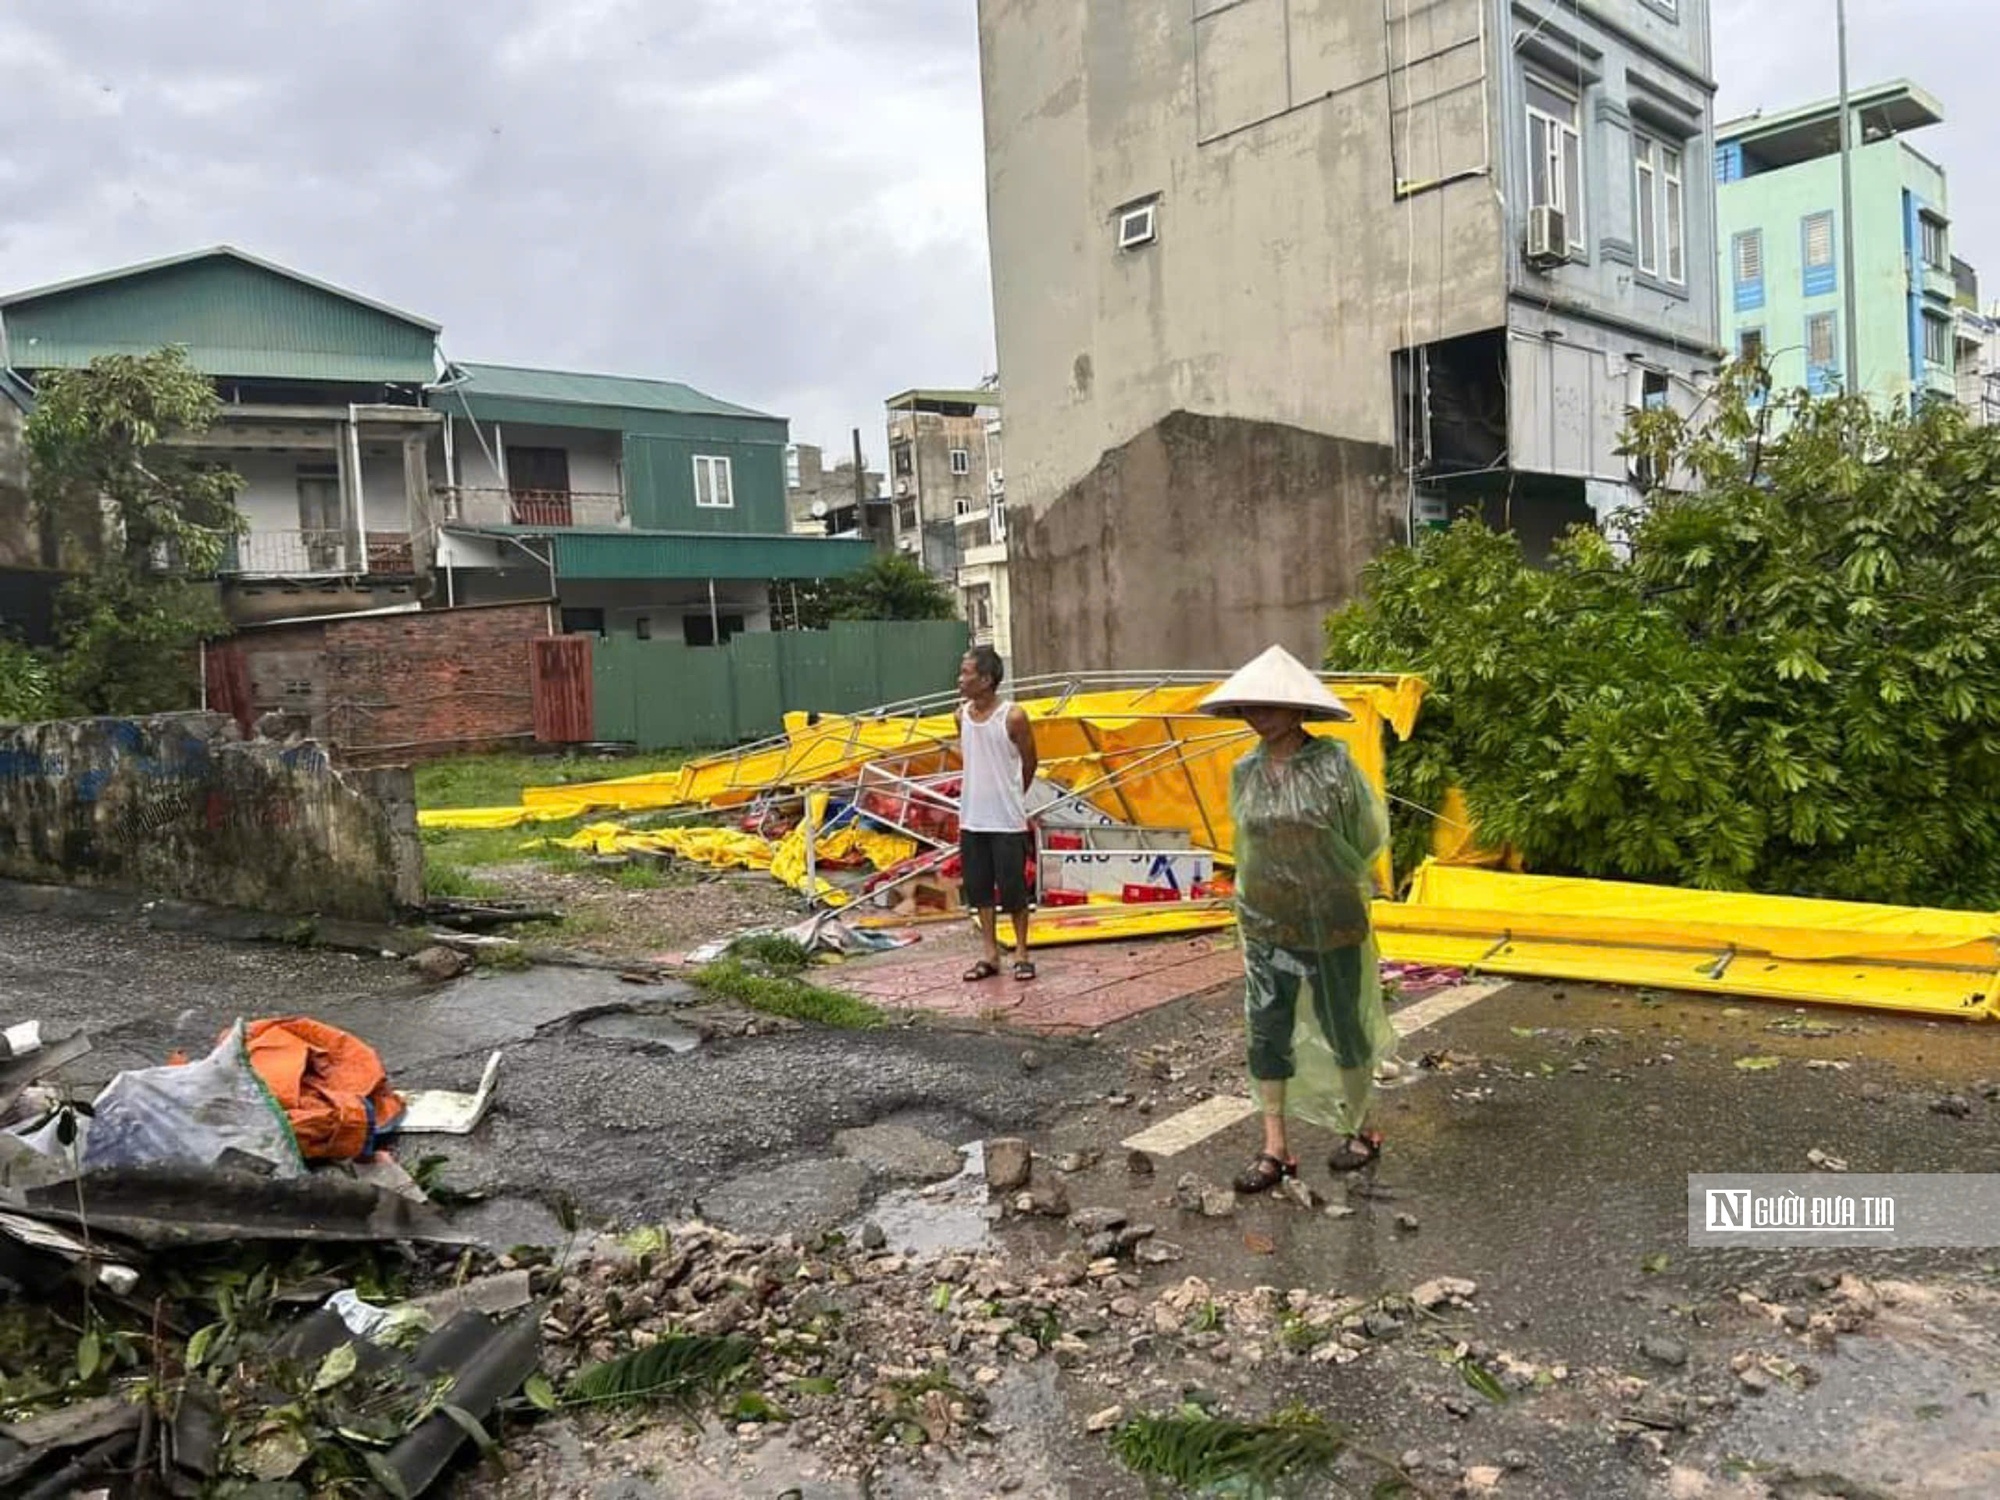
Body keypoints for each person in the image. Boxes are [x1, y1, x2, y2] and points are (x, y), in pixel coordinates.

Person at [1201, 644, 1395, 1192]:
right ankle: (1275, 1148)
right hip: (1267, 919)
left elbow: (1365, 834)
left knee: (1343, 1026)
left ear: (1296, 709)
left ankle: (1362, 1130)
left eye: (1271, 705)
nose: (1258, 716)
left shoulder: (1334, 765)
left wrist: (1329, 873)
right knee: (1268, 1029)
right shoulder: (1245, 772)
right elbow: (1246, 843)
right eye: (1251, 707)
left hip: (1331, 914)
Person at [955, 645, 1040, 982]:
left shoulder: (1013, 716)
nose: (960, 679)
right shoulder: (960, 715)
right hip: (972, 817)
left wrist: (1015, 794)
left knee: (1013, 887)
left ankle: (1021, 952)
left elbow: (1031, 760)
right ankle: (990, 954)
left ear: (987, 679)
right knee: (979, 889)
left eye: (966, 673)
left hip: (1006, 819)